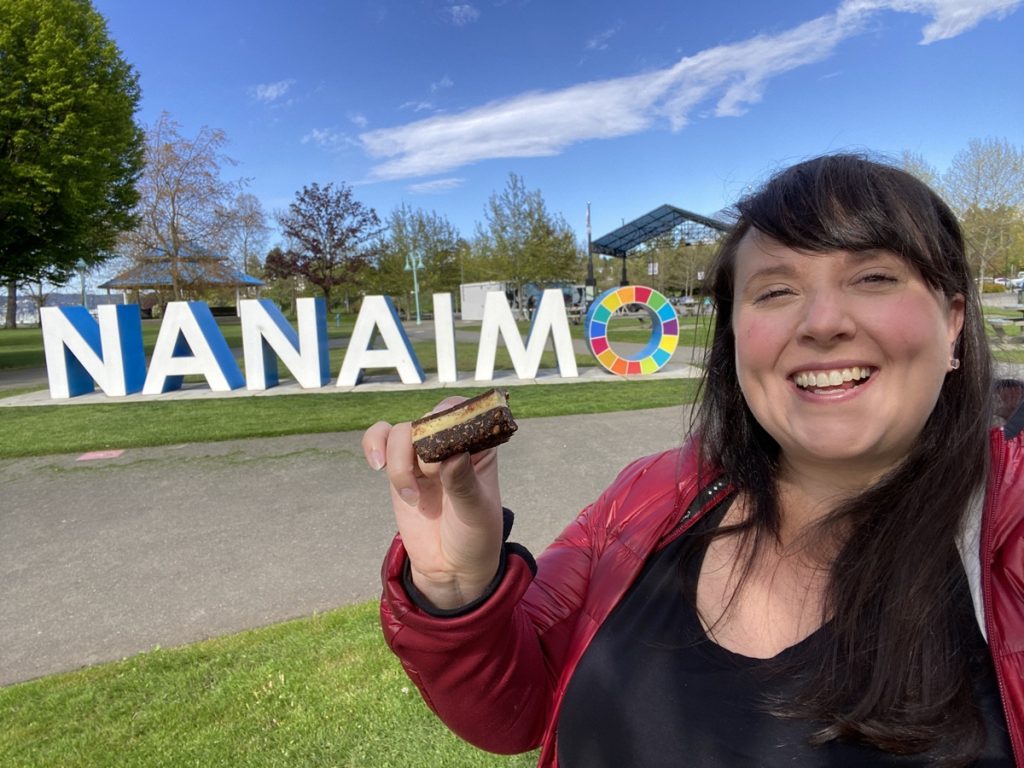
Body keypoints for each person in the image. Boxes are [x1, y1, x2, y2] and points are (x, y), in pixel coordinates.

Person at [362, 154, 1023, 767]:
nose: (822, 321)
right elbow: (514, 712)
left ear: (954, 322)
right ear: (736, 337)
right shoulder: (647, 495)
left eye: (874, 277)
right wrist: (457, 592)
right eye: (774, 290)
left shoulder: (1010, 542)